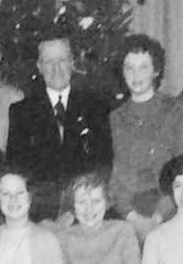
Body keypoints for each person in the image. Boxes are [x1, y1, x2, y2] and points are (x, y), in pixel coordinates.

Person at [8, 34, 114, 220]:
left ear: (72, 63)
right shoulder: (21, 112)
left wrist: (75, 209)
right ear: (39, 67)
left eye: (62, 60)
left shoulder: (96, 107)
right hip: (41, 214)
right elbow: (18, 169)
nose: (56, 68)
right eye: (49, 62)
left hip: (86, 212)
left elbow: (103, 163)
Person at [107, 33, 183, 226]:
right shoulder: (115, 118)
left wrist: (158, 217)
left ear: (155, 70)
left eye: (143, 67)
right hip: (126, 213)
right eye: (129, 68)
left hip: (170, 208)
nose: (135, 75)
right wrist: (131, 216)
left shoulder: (176, 111)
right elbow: (116, 177)